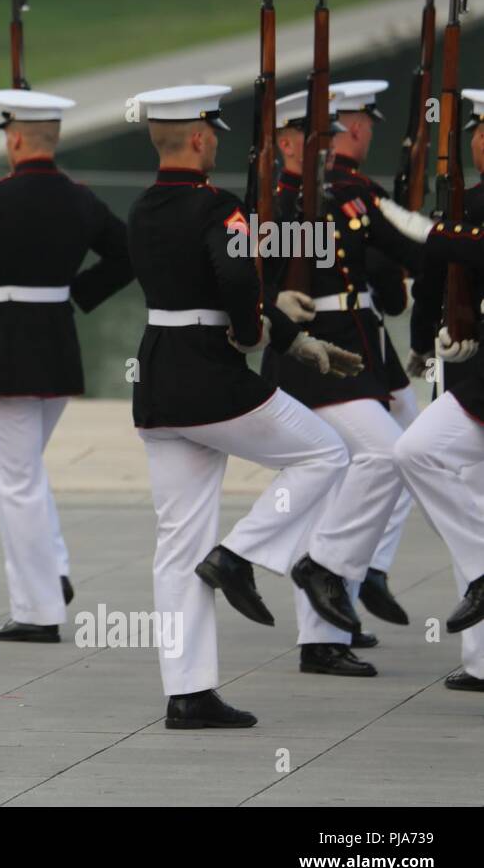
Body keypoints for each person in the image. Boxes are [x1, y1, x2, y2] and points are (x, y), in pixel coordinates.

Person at [128, 85, 365, 728]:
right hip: (211, 377)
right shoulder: (218, 207)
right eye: (215, 136)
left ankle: (189, 693)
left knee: (178, 544)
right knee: (325, 452)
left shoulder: (143, 207)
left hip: (157, 380)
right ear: (200, 139)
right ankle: (239, 556)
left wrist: (293, 338)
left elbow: (191, 289)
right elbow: (234, 283)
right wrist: (253, 333)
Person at [0, 88, 132, 642]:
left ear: (15, 138)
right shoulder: (81, 199)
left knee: (15, 480)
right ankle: (55, 572)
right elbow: (129, 254)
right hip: (58, 342)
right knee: (28, 471)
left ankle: (38, 610)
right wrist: (76, 291)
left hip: (7, 345)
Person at [261, 84, 420, 676]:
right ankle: (326, 566)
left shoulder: (338, 199)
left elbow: (402, 248)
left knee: (338, 482)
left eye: (329, 135)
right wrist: (273, 298)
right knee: (388, 453)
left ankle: (322, 637)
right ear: (283, 143)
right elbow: (246, 282)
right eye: (313, 135)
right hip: (308, 364)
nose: (326, 145)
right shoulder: (278, 205)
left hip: (351, 359)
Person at [383, 86, 484, 692]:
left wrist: (423, 230)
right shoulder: (465, 204)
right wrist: (426, 343)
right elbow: (430, 283)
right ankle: (480, 660)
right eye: (476, 128)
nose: (480, 139)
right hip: (469, 370)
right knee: (441, 468)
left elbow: (452, 251)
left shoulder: (458, 219)